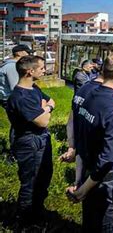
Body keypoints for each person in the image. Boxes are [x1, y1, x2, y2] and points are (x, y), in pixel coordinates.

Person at [66, 54, 113, 232]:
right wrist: (83, 190)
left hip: (88, 169)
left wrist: (81, 181)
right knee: (107, 223)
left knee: (90, 220)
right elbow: (109, 157)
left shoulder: (90, 93)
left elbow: (79, 133)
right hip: (104, 179)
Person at [6, 55, 55, 227]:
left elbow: (51, 101)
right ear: (29, 71)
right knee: (31, 183)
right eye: (41, 68)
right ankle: (24, 221)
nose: (44, 70)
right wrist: (46, 109)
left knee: (43, 178)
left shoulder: (33, 88)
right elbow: (43, 121)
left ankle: (37, 212)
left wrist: (44, 108)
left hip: (40, 139)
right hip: (29, 143)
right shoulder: (20, 97)